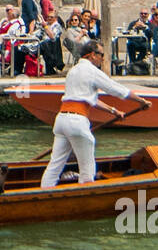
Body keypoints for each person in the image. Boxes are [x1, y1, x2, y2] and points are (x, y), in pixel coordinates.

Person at [41, 40, 150, 188]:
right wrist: (141, 101)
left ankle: (44, 192)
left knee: (55, 165)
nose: (103, 58)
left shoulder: (73, 71)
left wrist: (113, 111)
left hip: (61, 120)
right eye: (102, 55)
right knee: (87, 168)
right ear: (93, 55)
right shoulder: (92, 72)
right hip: (76, 122)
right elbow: (117, 90)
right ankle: (86, 196)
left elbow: (88, 99)